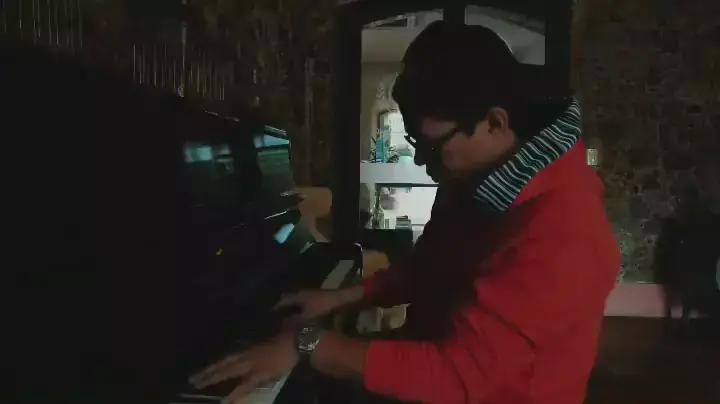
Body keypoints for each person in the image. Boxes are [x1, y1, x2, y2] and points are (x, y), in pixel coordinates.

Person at [190, 21, 619, 404]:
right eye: (415, 143)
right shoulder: (481, 179)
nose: (422, 161)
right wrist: (343, 296)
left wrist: (307, 344)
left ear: (494, 123)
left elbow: (455, 376)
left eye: (432, 145)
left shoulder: (563, 233)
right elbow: (429, 267)